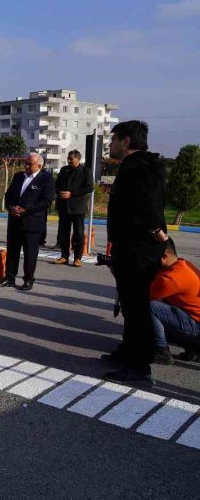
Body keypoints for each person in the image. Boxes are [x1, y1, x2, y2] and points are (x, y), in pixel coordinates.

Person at [102, 120, 168, 387]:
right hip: (133, 247)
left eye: (114, 139)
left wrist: (156, 232)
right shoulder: (144, 164)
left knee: (137, 309)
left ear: (126, 141)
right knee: (130, 306)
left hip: (137, 249)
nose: (110, 144)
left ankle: (140, 368)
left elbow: (147, 204)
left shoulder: (136, 167)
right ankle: (128, 353)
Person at [0, 153, 55, 291]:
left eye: (30, 164)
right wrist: (11, 207)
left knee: (30, 254)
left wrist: (26, 210)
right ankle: (9, 277)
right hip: (15, 220)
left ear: (39, 165)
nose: (26, 166)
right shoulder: (18, 176)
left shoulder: (46, 179)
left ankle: (28, 279)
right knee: (12, 252)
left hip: (32, 223)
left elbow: (46, 201)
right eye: (26, 163)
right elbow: (9, 195)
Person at [147, 238, 200, 364]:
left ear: (164, 256)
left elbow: (140, 297)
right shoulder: (183, 264)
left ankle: (161, 351)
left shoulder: (171, 278)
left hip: (196, 326)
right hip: (195, 321)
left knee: (149, 307)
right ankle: (195, 348)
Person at [52, 150, 94, 267]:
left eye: (71, 159)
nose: (69, 160)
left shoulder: (86, 171)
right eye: (68, 158)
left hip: (78, 207)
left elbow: (89, 187)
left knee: (78, 234)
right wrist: (59, 192)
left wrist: (72, 193)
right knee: (64, 233)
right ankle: (64, 256)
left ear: (78, 159)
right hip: (64, 206)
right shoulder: (64, 170)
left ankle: (77, 258)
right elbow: (57, 185)